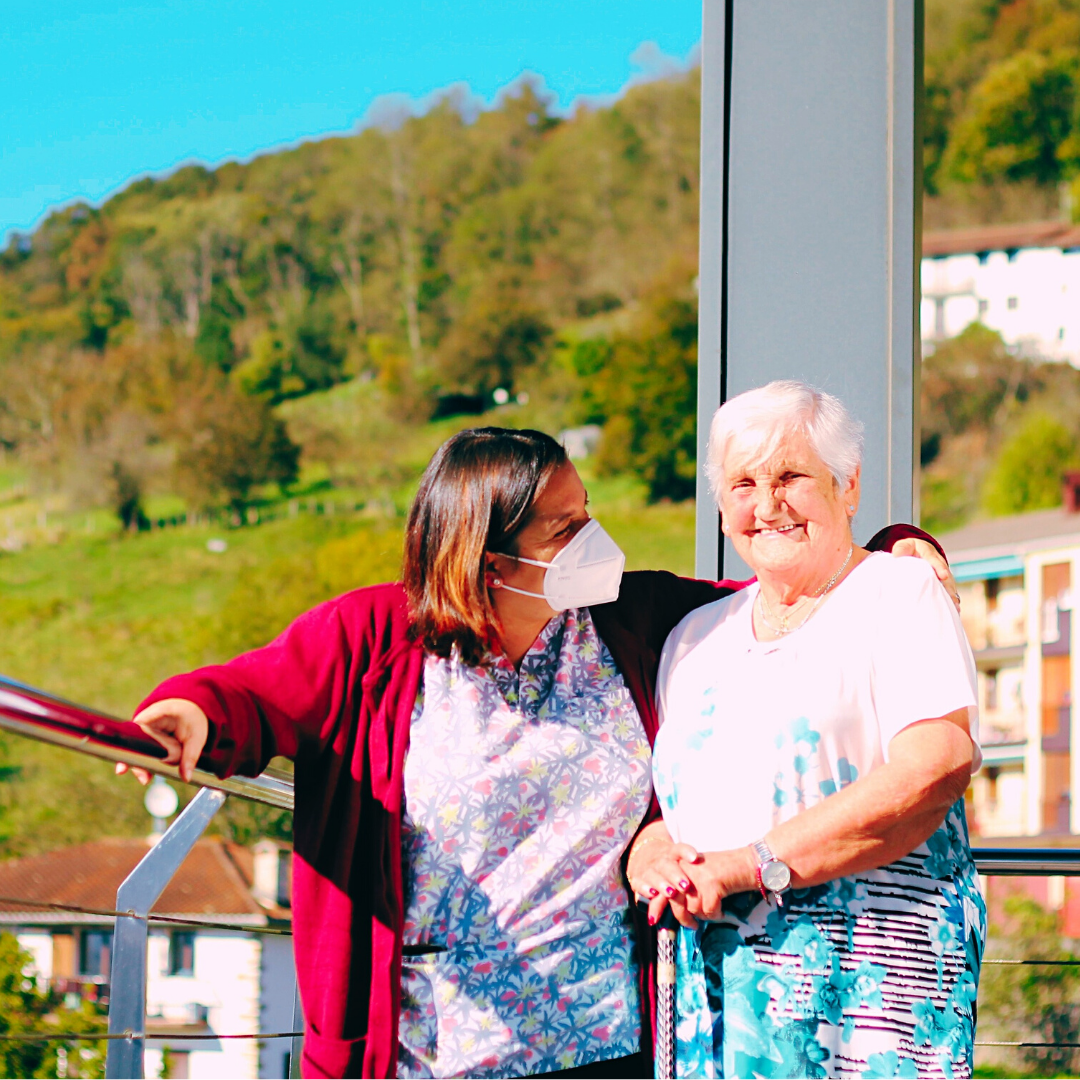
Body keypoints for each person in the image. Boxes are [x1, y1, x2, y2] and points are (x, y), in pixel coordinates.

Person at [122, 426, 952, 1079]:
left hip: (607, 1043)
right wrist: (188, 714)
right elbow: (252, 693)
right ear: (491, 560)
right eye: (567, 528)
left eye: (588, 510)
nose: (596, 539)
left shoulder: (626, 618)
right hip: (427, 1052)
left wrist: (896, 548)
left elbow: (793, 587)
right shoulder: (371, 638)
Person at [632, 382, 982, 1079]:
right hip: (725, 998)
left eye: (791, 476)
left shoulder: (899, 594)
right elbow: (676, 810)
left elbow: (935, 764)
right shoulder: (695, 638)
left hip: (870, 990)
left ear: (847, 487)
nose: (768, 505)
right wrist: (653, 858)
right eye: (742, 483)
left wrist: (748, 865)